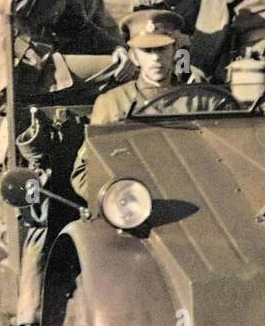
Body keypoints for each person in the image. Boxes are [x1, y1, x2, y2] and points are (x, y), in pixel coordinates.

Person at [71, 10, 231, 191]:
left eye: (162, 48)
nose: (155, 58)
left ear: (175, 50)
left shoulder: (205, 102)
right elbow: (85, 176)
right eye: (146, 50)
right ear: (133, 57)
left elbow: (231, 163)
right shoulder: (112, 103)